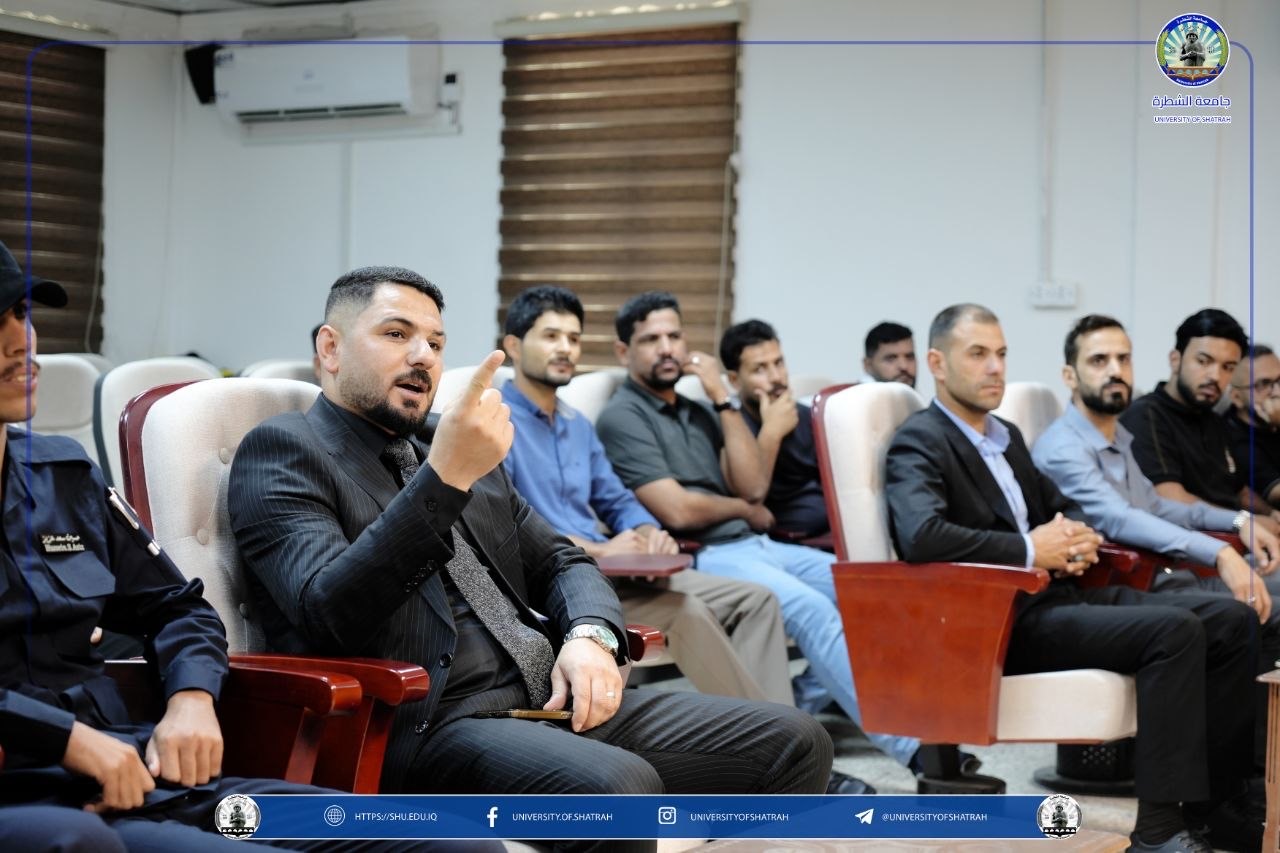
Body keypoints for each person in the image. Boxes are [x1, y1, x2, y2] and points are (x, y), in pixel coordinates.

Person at [227, 268, 832, 853]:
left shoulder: (450, 441)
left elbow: (563, 560)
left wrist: (591, 637)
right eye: (396, 333)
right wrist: (443, 481)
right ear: (330, 348)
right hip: (430, 722)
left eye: (436, 342)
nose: (422, 357)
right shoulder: (288, 450)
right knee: (621, 790)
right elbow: (329, 610)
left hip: (551, 695)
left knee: (796, 740)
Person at [0, 241, 474, 853]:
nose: (22, 341)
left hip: (143, 778)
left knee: (447, 842)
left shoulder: (59, 474)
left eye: (22, 314)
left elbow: (178, 607)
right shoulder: (290, 452)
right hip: (33, 795)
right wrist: (67, 738)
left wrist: (192, 698)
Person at [886, 303, 1260, 853]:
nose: (995, 367)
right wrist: (1028, 548)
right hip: (998, 623)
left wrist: (1076, 535)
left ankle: (1218, 804)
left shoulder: (1006, 435)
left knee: (1230, 618)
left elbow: (1060, 507)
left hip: (1057, 597)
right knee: (1175, 631)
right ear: (937, 364)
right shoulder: (920, 439)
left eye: (1001, 354)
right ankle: (1157, 833)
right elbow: (921, 535)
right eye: (978, 354)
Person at [596, 291, 924, 779]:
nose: (667, 348)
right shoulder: (622, 416)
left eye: (674, 336)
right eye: (651, 340)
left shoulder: (699, 409)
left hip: (757, 544)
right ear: (624, 351)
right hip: (708, 553)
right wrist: (745, 510)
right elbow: (679, 510)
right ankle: (917, 751)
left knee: (876, 590)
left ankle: (821, 702)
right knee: (813, 610)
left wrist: (720, 399)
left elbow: (751, 484)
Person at [498, 286, 795, 707]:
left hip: (615, 571)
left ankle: (783, 729)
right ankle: (772, 738)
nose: (566, 348)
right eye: (551, 336)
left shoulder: (577, 424)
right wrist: (603, 550)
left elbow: (617, 500)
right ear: (513, 346)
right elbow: (508, 532)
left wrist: (648, 530)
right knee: (687, 612)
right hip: (559, 585)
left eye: (574, 338)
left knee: (758, 600)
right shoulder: (496, 422)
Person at [1119, 308, 1280, 532]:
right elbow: (1169, 498)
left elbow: (1239, 491)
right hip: (1198, 540)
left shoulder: (1214, 418)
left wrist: (1269, 514)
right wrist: (1243, 521)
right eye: (1204, 361)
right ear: (1175, 360)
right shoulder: (1147, 415)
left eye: (1228, 367)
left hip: (1237, 534)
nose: (1216, 376)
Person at [720, 319, 828, 537]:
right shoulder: (731, 427)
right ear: (735, 380)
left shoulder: (809, 417)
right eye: (760, 369)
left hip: (829, 536)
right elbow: (752, 495)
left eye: (779, 363)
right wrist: (772, 432)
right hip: (777, 541)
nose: (776, 377)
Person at [1226, 345, 1280, 509]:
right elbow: (1276, 494)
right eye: (1263, 384)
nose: (1277, 392)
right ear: (1236, 397)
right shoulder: (1233, 439)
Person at [860, 321, 917, 387]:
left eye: (910, 357)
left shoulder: (916, 393)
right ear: (868, 365)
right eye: (891, 358)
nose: (904, 366)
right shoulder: (853, 393)